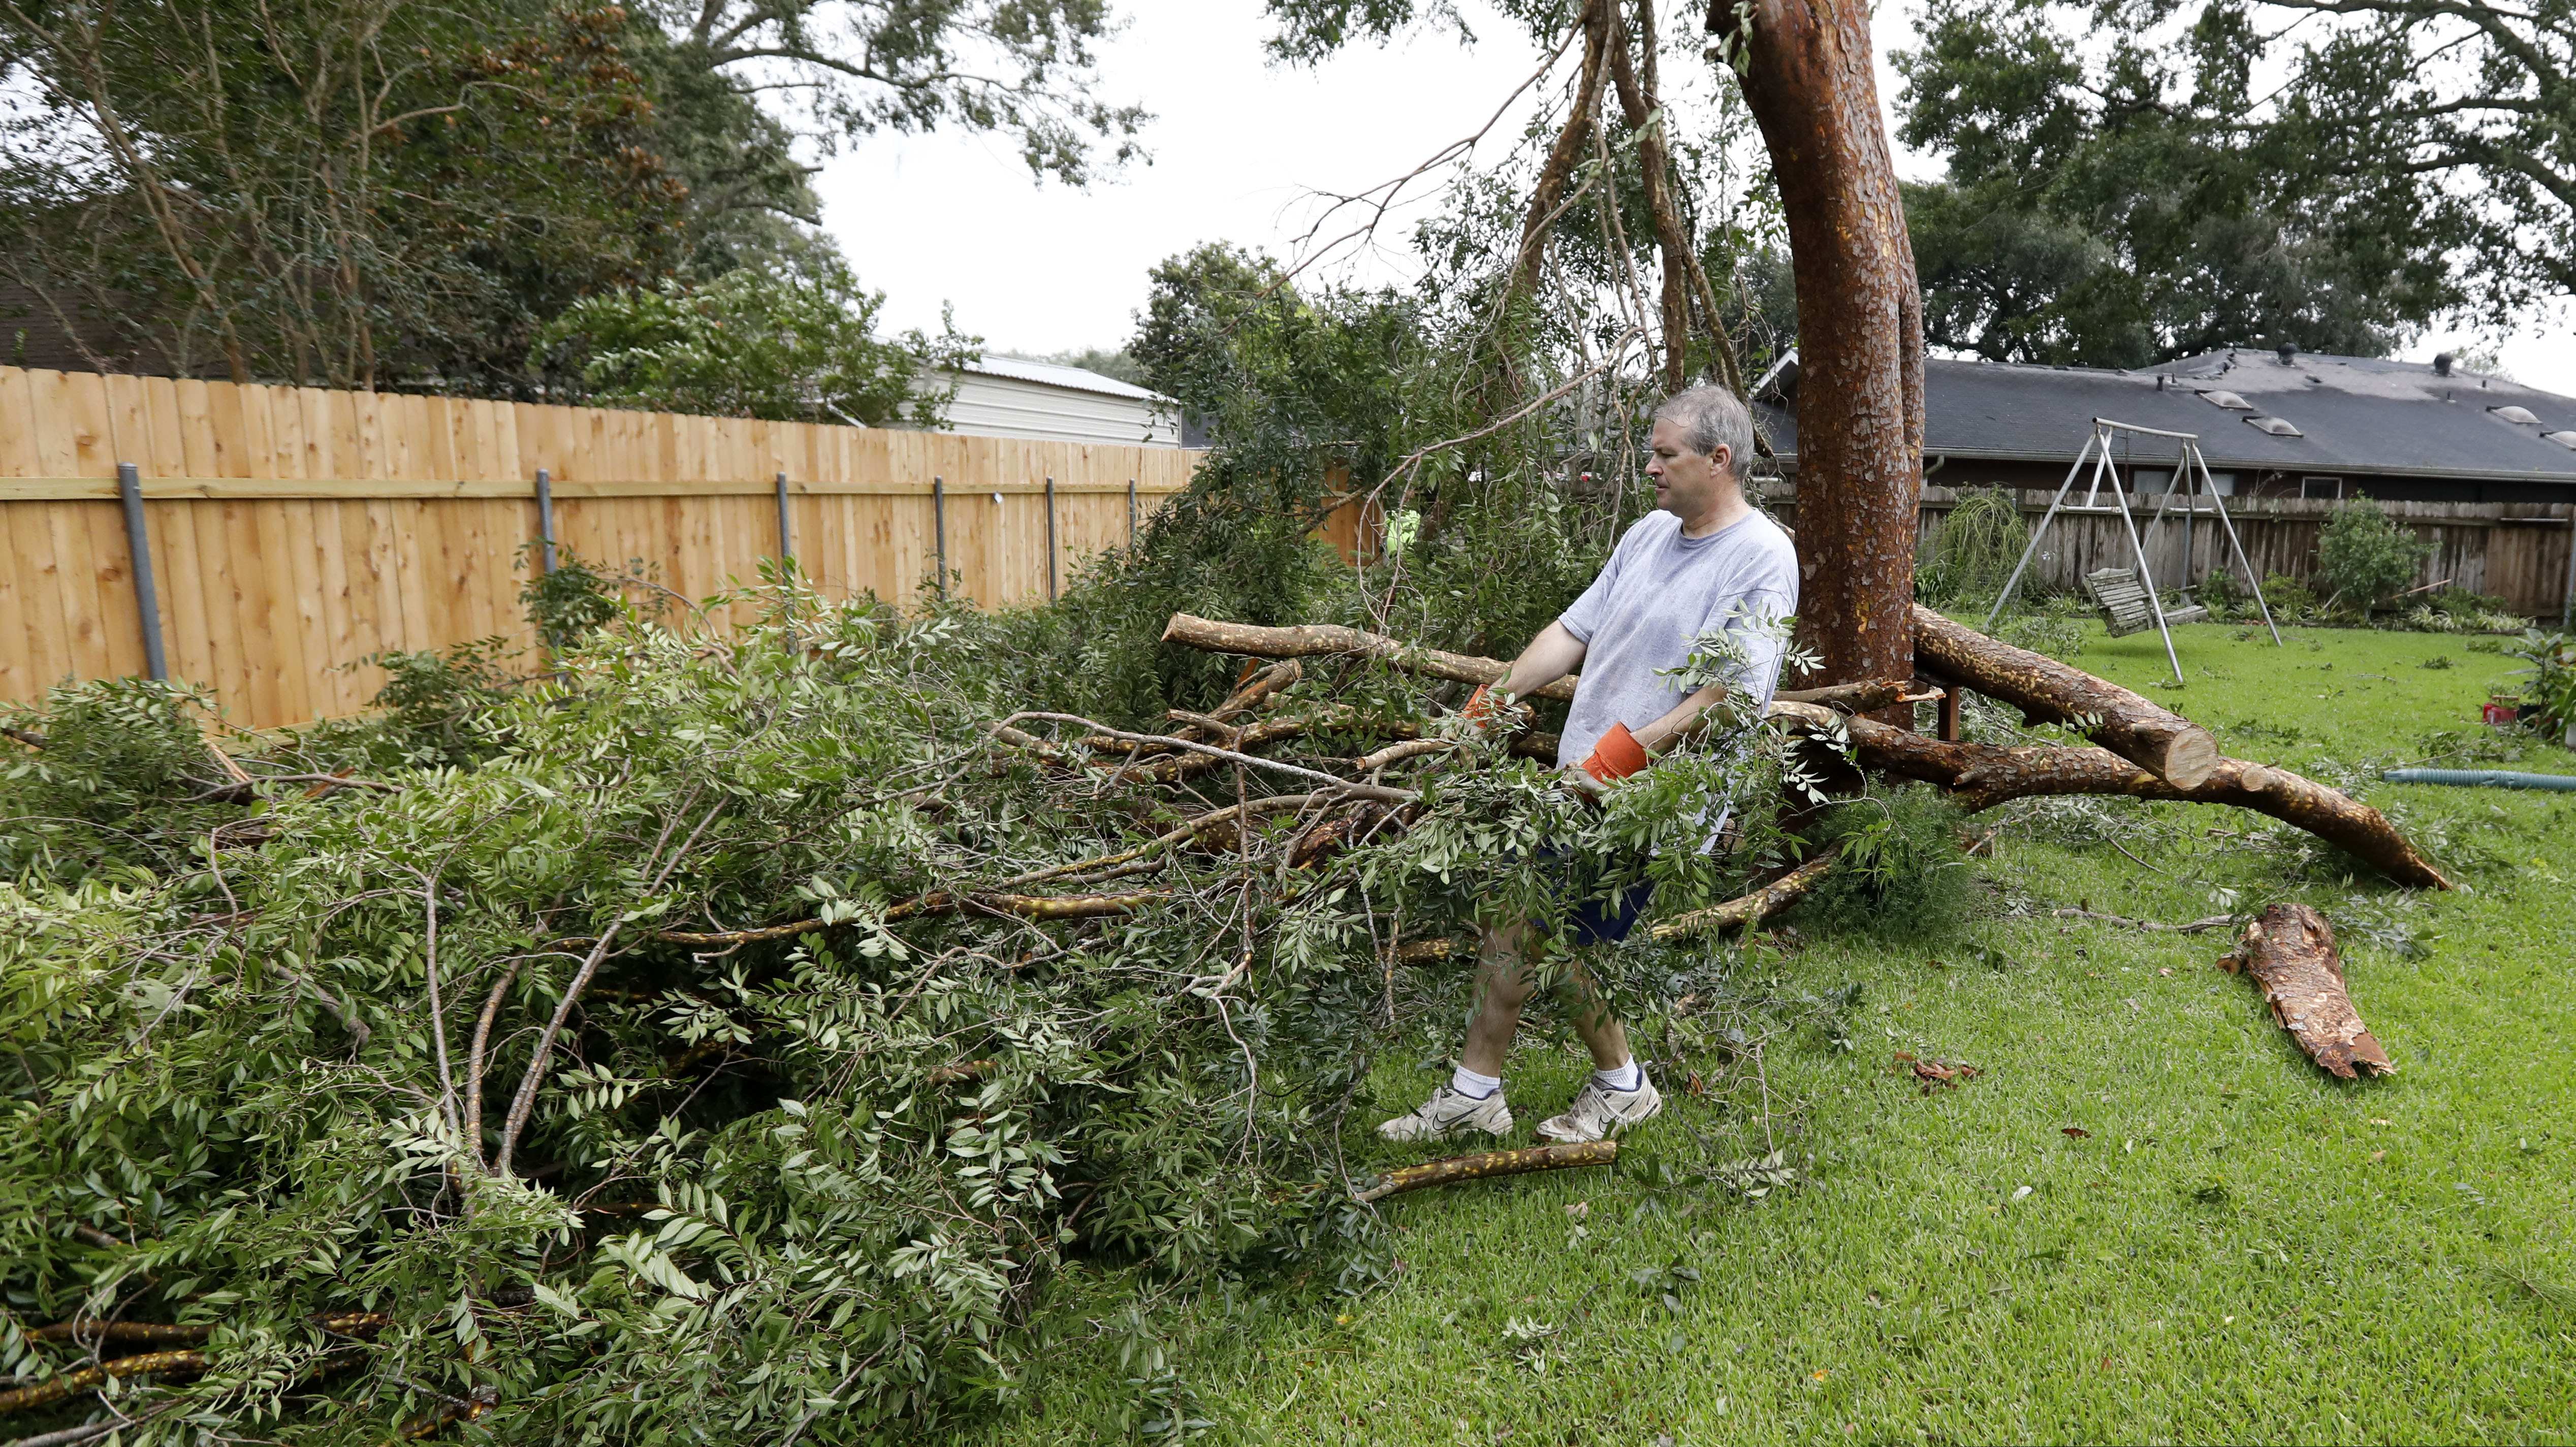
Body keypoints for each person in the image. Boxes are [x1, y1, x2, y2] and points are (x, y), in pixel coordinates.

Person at [1377, 384, 1799, 1145]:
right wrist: (1489, 700)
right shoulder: (1647, 534)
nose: (1649, 467)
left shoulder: (1761, 556)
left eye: (1664, 454)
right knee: (1520, 926)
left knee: (1554, 940)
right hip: (1585, 778)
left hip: (1658, 795)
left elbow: (1732, 691)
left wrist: (1629, 755)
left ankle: (1617, 1084)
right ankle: (1485, 1091)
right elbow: (1573, 631)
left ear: (1719, 458)